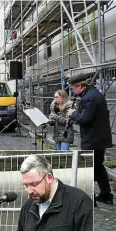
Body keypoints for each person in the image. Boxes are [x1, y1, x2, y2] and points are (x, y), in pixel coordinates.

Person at [67, 73, 114, 205]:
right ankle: (106, 195)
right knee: (98, 167)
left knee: (87, 168)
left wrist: (73, 113)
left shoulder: (89, 98)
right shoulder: (93, 94)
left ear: (80, 86)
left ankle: (89, 199)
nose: (73, 91)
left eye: (73, 88)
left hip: (93, 140)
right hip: (99, 139)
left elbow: (85, 119)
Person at [17, 155, 93, 231]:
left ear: (49, 178)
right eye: (26, 185)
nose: (29, 191)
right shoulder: (27, 207)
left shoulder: (80, 202)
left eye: (34, 184)